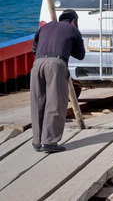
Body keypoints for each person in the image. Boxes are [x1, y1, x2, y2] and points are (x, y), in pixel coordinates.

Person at [30, 9, 85, 153]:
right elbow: (81, 55)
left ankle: (37, 141)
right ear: (74, 21)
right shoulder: (73, 28)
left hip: (37, 64)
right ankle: (49, 142)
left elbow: (34, 49)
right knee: (56, 103)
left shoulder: (45, 26)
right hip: (56, 64)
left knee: (38, 103)